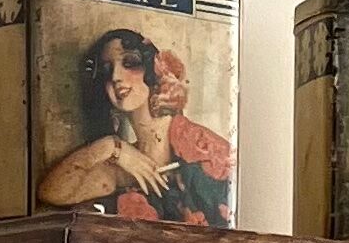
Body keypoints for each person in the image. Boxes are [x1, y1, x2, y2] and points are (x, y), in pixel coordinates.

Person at [37, 25, 232, 227]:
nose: (115, 77)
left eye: (129, 62)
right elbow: (51, 193)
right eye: (107, 70)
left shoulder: (201, 146)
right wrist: (111, 147)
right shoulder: (122, 160)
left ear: (153, 69)